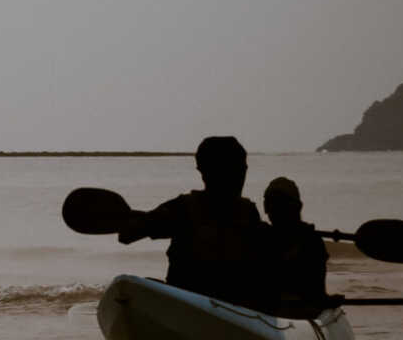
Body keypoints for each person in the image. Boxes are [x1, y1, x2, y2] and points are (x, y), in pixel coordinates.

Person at [117, 136, 268, 308]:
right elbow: (127, 235)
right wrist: (142, 221)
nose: (241, 174)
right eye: (235, 168)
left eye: (242, 168)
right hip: (190, 303)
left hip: (236, 309)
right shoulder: (183, 209)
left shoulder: (248, 213)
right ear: (205, 171)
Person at [261, 176, 336, 317]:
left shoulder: (311, 241)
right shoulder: (263, 237)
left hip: (293, 308)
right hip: (281, 307)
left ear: (296, 207)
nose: (274, 210)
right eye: (272, 205)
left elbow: (317, 294)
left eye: (280, 205)